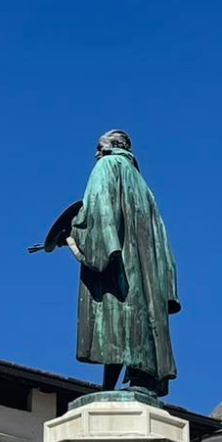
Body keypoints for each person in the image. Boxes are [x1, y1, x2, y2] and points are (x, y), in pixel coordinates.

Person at [62, 130, 180, 396]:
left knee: (115, 319)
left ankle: (115, 385)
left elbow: (98, 210)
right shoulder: (143, 186)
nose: (95, 153)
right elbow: (162, 240)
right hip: (146, 274)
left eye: (99, 146)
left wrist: (73, 235)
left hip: (117, 263)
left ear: (114, 147)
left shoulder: (106, 166)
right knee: (133, 322)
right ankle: (136, 381)